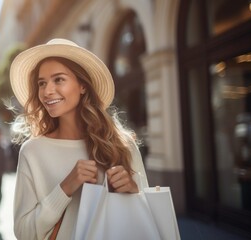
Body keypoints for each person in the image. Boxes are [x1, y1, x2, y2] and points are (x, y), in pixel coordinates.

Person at [9, 38, 149, 239]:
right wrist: (65, 188)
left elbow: (147, 220)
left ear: (82, 85)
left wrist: (134, 190)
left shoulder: (122, 145)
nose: (47, 91)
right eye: (42, 83)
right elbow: (23, 232)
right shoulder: (33, 151)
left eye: (58, 79)